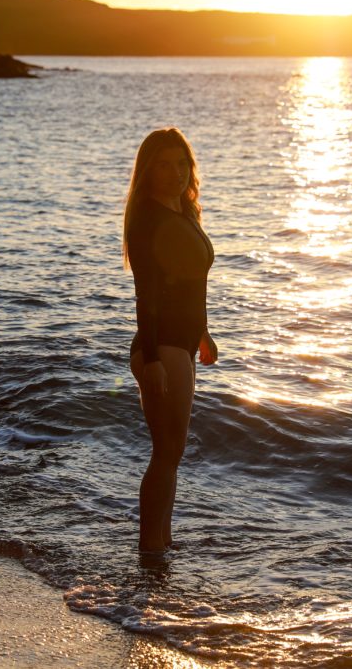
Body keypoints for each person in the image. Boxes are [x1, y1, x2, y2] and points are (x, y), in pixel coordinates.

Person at [123, 127, 217, 553]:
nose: (175, 173)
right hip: (161, 348)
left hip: (181, 344)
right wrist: (154, 355)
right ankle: (149, 550)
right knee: (166, 453)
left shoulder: (184, 212)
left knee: (172, 453)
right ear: (147, 170)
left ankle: (163, 544)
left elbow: (188, 284)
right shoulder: (147, 217)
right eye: (163, 164)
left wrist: (203, 331)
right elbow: (148, 290)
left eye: (181, 164)